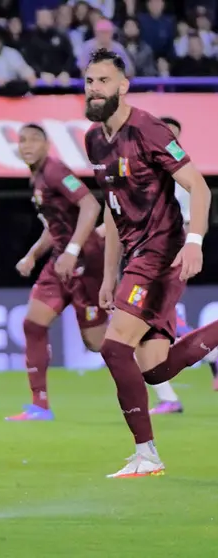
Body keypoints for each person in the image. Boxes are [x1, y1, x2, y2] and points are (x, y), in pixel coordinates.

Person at [83, 48, 218, 478]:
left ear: (123, 86)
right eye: (88, 81)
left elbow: (198, 187)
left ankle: (147, 455)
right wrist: (108, 275)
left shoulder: (148, 129)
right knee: (155, 369)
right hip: (134, 258)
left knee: (113, 346)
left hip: (160, 254)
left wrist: (194, 240)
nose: (94, 89)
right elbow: (111, 207)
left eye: (103, 81)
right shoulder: (93, 140)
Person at [7, 124, 108, 421]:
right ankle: (40, 405)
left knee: (98, 344)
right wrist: (32, 255)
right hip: (59, 262)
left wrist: (74, 250)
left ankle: (152, 352)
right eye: (22, 140)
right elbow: (56, 226)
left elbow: (91, 205)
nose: (26, 145)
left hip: (86, 262)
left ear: (47, 144)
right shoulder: (36, 177)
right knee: (33, 324)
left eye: (34, 140)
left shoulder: (54, 171)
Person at [147, 116, 218, 414]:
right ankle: (210, 357)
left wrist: (189, 244)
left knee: (146, 325)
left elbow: (193, 218)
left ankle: (170, 398)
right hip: (146, 257)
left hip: (169, 257)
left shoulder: (182, 181)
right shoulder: (146, 176)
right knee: (154, 325)